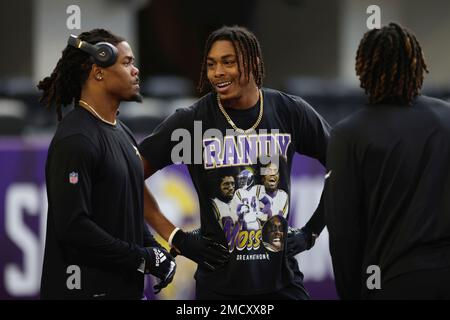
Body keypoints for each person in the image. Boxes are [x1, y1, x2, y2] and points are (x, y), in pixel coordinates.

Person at [140, 25, 330, 299]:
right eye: (211, 64)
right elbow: (127, 174)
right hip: (220, 288)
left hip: (282, 283)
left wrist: (311, 232)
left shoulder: (289, 111)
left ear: (253, 62)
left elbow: (342, 167)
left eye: (228, 62)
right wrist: (175, 238)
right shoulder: (193, 121)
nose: (217, 73)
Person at [38, 28, 176, 299]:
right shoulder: (76, 138)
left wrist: (154, 250)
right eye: (126, 63)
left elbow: (126, 212)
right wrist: (143, 258)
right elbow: (74, 228)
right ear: (97, 71)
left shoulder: (122, 132)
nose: (135, 70)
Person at [324, 22, 450, 299]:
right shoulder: (447, 118)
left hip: (391, 281)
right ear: (416, 64)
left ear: (363, 69)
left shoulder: (348, 134)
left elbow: (344, 234)